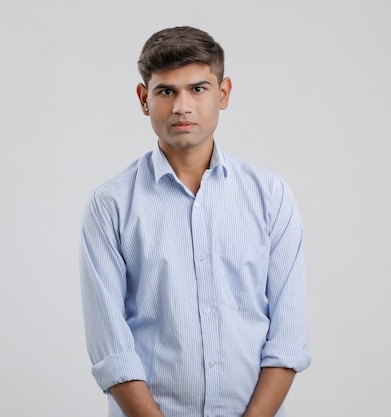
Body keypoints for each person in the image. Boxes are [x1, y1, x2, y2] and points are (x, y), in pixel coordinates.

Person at [79, 26, 311, 417]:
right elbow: (112, 349)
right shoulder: (110, 204)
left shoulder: (270, 195)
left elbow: (288, 338)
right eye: (166, 91)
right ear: (143, 99)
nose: (182, 106)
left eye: (198, 89)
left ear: (224, 93)